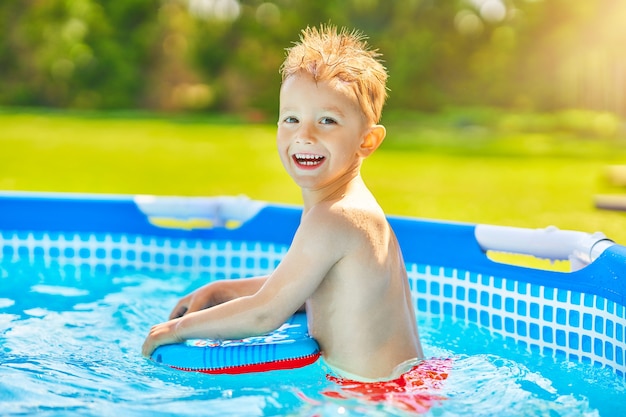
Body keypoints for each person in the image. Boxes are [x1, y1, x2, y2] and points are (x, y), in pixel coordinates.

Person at [142, 24, 423, 381]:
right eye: (291, 119)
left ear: (366, 141)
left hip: (371, 399)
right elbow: (310, 285)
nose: (304, 135)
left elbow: (265, 314)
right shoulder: (354, 210)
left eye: (327, 120)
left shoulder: (335, 217)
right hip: (409, 386)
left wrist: (175, 332)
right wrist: (222, 290)